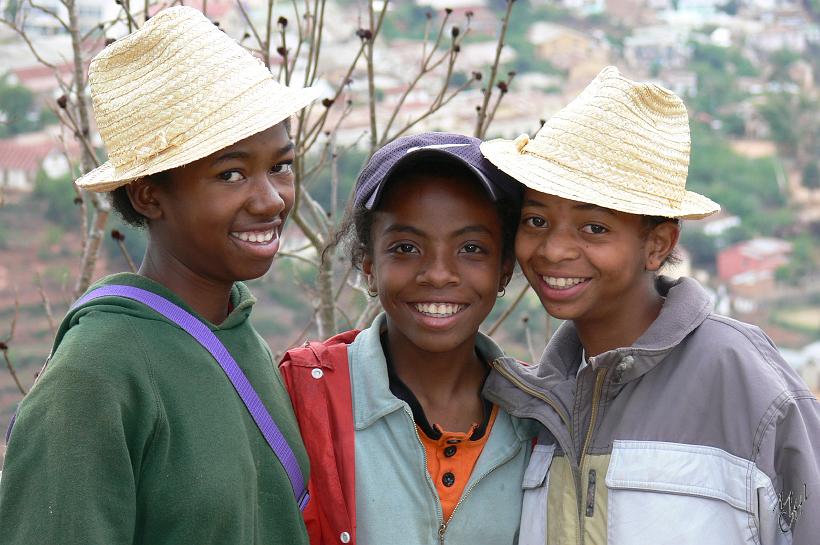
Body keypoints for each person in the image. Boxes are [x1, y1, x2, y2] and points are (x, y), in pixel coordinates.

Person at [0, 7, 320, 544]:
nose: (270, 199)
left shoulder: (240, 340)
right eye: (231, 173)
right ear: (149, 195)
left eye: (280, 166)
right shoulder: (96, 376)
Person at [479, 66, 820, 545]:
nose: (553, 250)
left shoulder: (744, 382)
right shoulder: (532, 403)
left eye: (593, 228)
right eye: (536, 220)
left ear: (657, 244)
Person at [279, 132, 535, 545]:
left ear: (504, 267)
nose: (437, 273)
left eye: (471, 247)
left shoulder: (538, 418)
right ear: (368, 263)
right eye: (406, 247)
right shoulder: (305, 397)